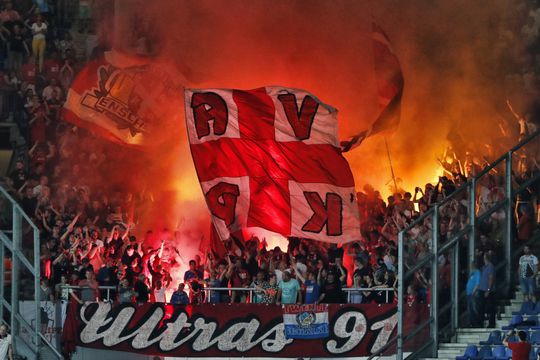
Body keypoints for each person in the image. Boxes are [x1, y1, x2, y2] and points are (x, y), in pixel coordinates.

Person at [478, 253, 496, 328]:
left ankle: (491, 323)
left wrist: (488, 289)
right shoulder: (483, 267)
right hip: (482, 290)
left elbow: (490, 278)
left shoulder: (490, 266)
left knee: (490, 307)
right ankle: (481, 323)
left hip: (488, 290)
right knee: (481, 307)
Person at [466, 261, 481, 327]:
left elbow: (477, 284)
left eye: (471, 265)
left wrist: (473, 292)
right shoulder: (472, 273)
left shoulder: (477, 272)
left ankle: (477, 324)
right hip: (469, 294)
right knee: (470, 309)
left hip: (474, 294)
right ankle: (472, 323)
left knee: (474, 309)